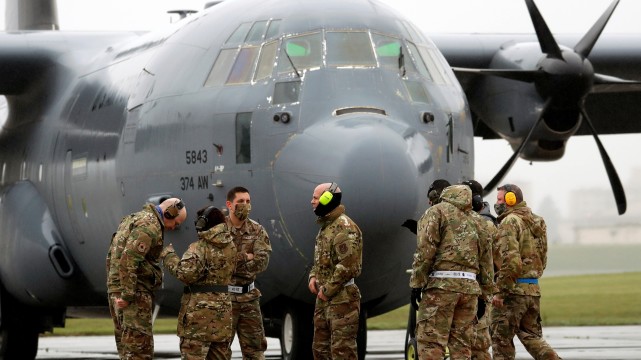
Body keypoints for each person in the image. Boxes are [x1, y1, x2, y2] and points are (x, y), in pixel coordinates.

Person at [409, 184, 494, 359]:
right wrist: (485, 296)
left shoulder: (436, 212)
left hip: (441, 287)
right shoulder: (479, 221)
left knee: (431, 343)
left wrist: (417, 284)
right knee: (462, 347)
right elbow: (487, 263)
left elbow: (425, 252)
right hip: (469, 290)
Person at [106, 197, 187, 359]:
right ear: (169, 214)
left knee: (127, 350)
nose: (173, 228)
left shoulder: (134, 219)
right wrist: (128, 295)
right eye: (176, 223)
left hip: (117, 289)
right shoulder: (149, 226)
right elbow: (129, 259)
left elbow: (113, 256)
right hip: (134, 293)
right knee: (140, 351)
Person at [491, 184, 561, 360]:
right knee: (533, 338)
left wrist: (500, 291)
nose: (496, 203)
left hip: (512, 292)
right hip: (532, 289)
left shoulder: (509, 222)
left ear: (511, 200)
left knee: (501, 341)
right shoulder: (538, 221)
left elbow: (511, 262)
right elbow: (543, 260)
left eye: (500, 199)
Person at [160, 206, 237, 360]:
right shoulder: (231, 247)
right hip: (223, 319)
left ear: (203, 223)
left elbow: (185, 274)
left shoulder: (199, 248)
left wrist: (168, 256)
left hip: (198, 321)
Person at [308, 182, 363, 359]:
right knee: (320, 351)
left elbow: (347, 266)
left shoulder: (344, 228)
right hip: (324, 299)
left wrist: (327, 290)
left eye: (315, 198)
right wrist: (313, 276)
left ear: (327, 198)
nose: (312, 202)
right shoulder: (326, 228)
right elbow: (321, 260)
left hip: (342, 300)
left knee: (342, 352)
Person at [223, 186, 272, 360]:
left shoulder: (257, 230)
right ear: (230, 204)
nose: (245, 205)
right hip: (223, 300)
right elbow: (216, 263)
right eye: (240, 202)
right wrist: (246, 256)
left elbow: (262, 262)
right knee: (219, 350)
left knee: (255, 352)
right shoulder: (218, 230)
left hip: (249, 299)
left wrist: (233, 260)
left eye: (248, 201)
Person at [462, 179, 498, 360]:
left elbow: (489, 262)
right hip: (471, 290)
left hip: (480, 291)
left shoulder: (485, 224)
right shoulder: (471, 221)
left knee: (478, 345)